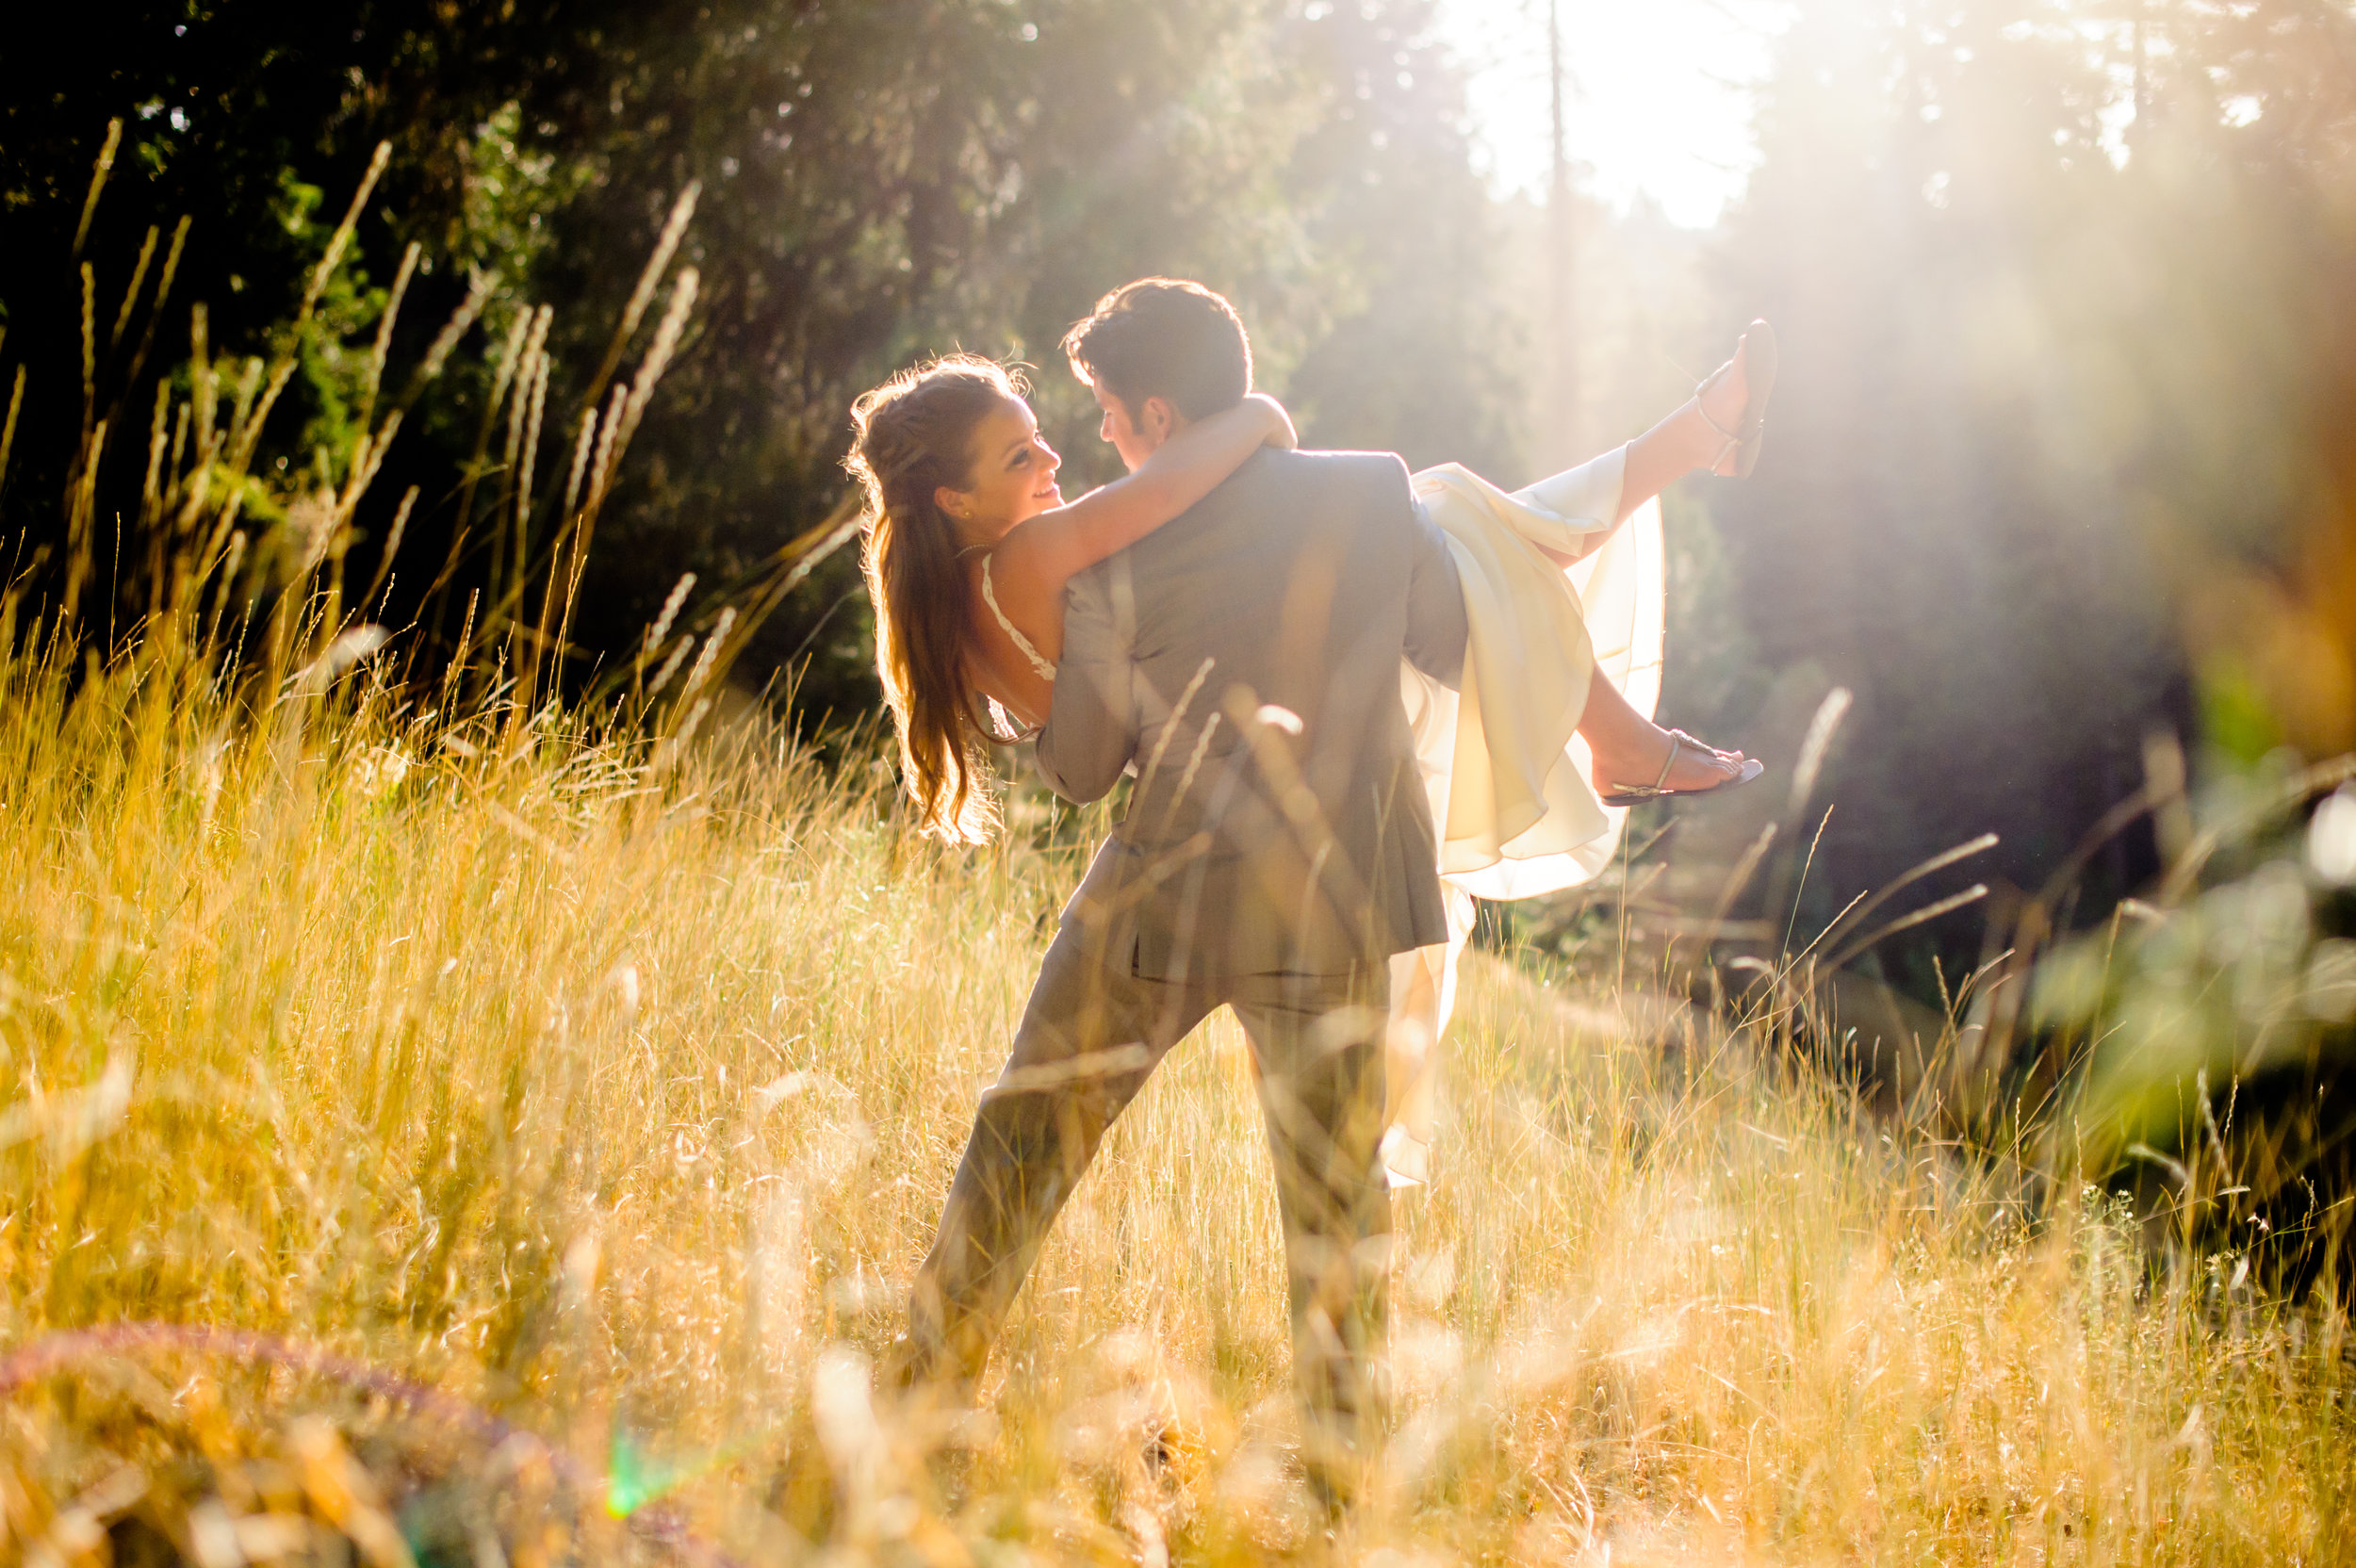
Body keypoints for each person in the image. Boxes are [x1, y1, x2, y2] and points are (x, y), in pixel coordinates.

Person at [847, 278, 1773, 1493]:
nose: (1079, 450)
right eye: (1029, 449)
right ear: (960, 493)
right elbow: (1462, 634)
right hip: (1330, 896)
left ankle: (916, 1412)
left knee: (1020, 1148)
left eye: (1092, 422)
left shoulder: (1001, 585)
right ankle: (1345, 1489)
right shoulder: (1335, 496)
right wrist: (1280, 445)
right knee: (1334, 1224)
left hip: (1156, 903)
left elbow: (1082, 768)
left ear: (1155, 411)